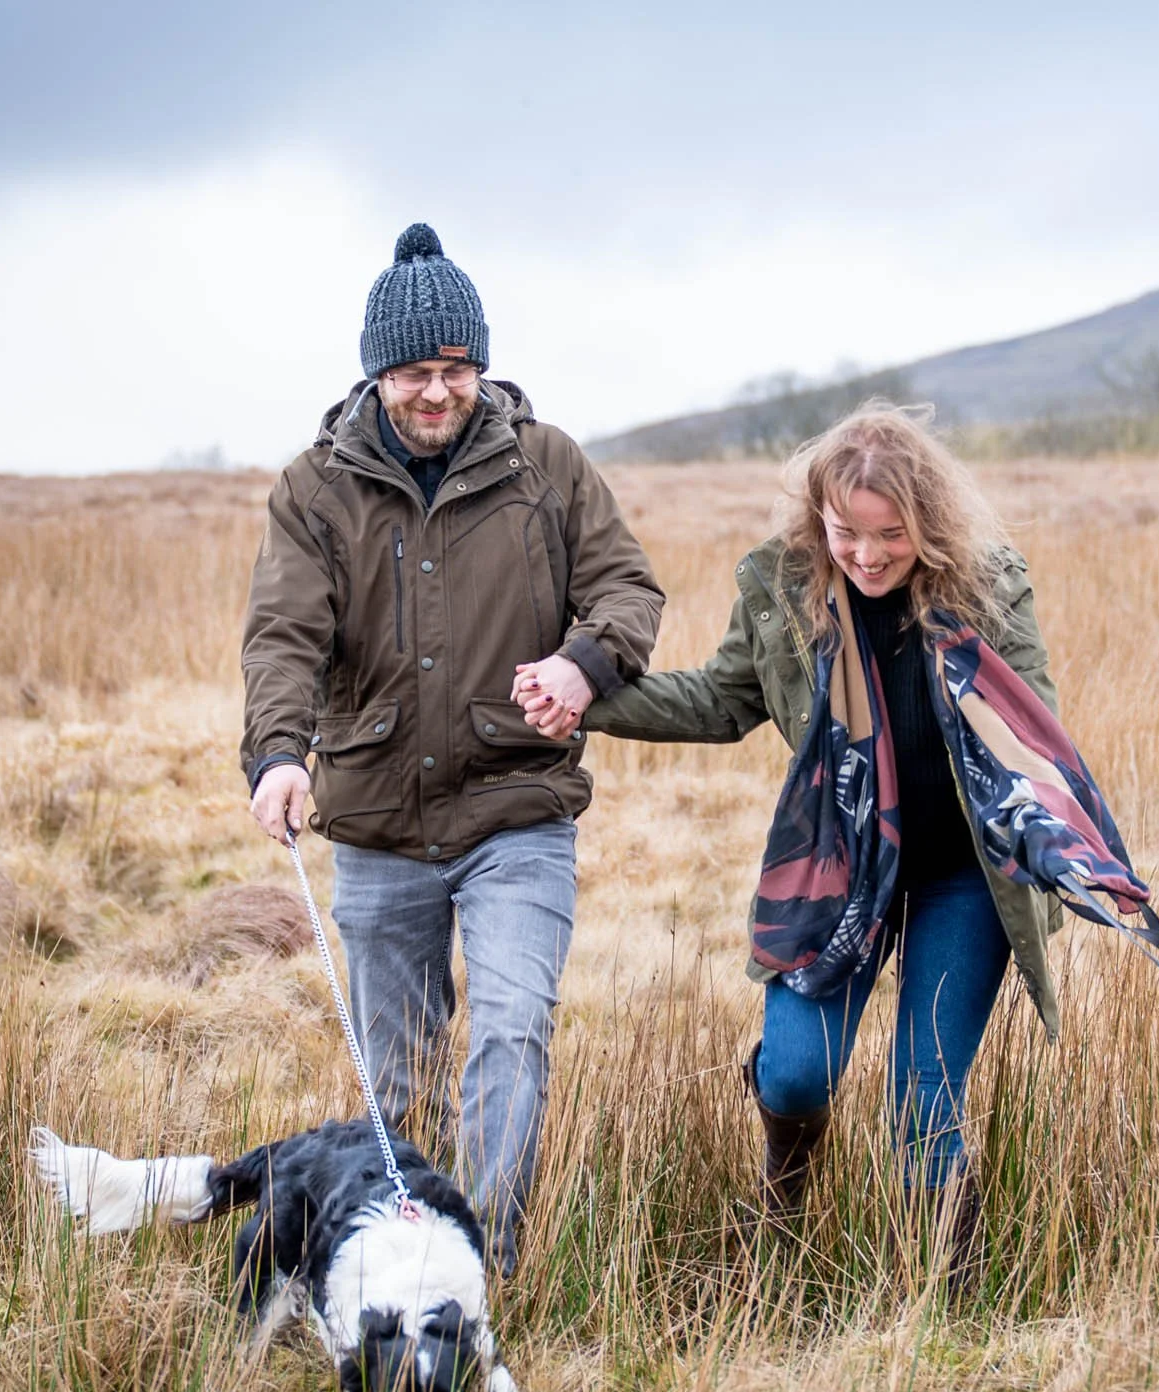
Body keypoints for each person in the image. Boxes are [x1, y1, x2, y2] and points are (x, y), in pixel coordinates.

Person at [521, 404, 1074, 1278]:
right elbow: (719, 699)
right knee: (792, 1077)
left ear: (927, 523)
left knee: (924, 1102)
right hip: (843, 867)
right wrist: (590, 696)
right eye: (847, 532)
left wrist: (1062, 843)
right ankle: (783, 1206)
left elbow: (1036, 732)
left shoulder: (988, 587)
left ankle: (948, 1308)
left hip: (962, 875)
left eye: (891, 534)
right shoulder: (785, 592)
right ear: (820, 519)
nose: (867, 554)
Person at [241, 222, 664, 1274]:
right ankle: (403, 1268)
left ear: (481, 365)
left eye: (455, 369)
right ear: (374, 373)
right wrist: (279, 754)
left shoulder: (547, 466)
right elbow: (283, 636)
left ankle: (481, 1263)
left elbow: (627, 588)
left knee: (511, 1031)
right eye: (414, 373)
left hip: (514, 808)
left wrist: (583, 663)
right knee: (399, 1079)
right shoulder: (314, 488)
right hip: (379, 823)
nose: (437, 393)